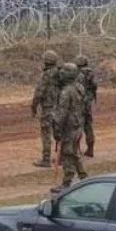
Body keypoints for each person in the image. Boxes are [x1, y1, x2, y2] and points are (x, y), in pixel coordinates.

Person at [51, 63, 88, 193]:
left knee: (67, 153)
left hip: (69, 127)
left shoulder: (66, 91)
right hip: (78, 124)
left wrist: (57, 129)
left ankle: (67, 183)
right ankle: (83, 176)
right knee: (73, 152)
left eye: (63, 72)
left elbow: (62, 113)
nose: (60, 74)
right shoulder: (79, 87)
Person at [31, 50, 61, 167]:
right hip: (59, 107)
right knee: (59, 133)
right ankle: (62, 157)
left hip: (48, 108)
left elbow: (40, 92)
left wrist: (34, 105)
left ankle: (46, 159)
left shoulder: (47, 75)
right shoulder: (60, 73)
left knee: (46, 134)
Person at [75, 55, 97, 157]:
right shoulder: (91, 73)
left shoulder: (77, 75)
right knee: (88, 126)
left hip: (80, 103)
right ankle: (90, 149)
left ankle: (75, 150)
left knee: (77, 126)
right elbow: (94, 87)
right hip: (88, 103)